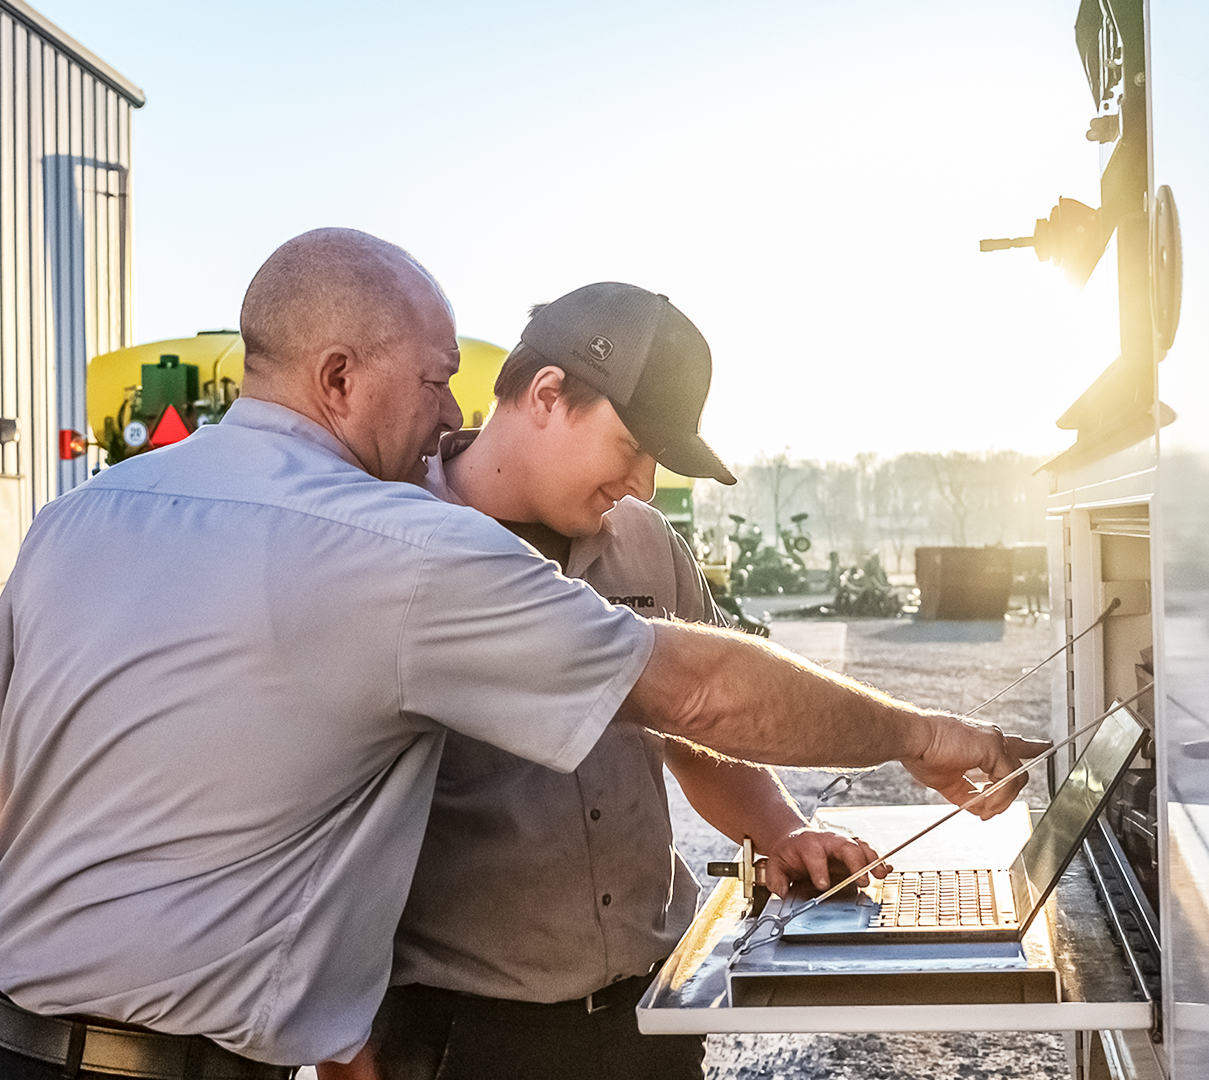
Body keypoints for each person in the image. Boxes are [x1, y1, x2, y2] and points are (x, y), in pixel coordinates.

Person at [0, 228, 1043, 1080]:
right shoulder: (398, 550)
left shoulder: (81, 520)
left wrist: (66, 938)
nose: (448, 405)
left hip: (21, 1045)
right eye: (432, 381)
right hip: (453, 1035)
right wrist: (922, 733)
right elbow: (700, 685)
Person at [330, 284, 881, 1080]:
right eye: (634, 447)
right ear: (549, 394)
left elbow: (703, 731)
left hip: (648, 1020)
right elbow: (315, 824)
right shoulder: (387, 548)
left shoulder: (647, 543)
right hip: (463, 1040)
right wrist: (340, 1054)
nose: (646, 484)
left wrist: (781, 828)